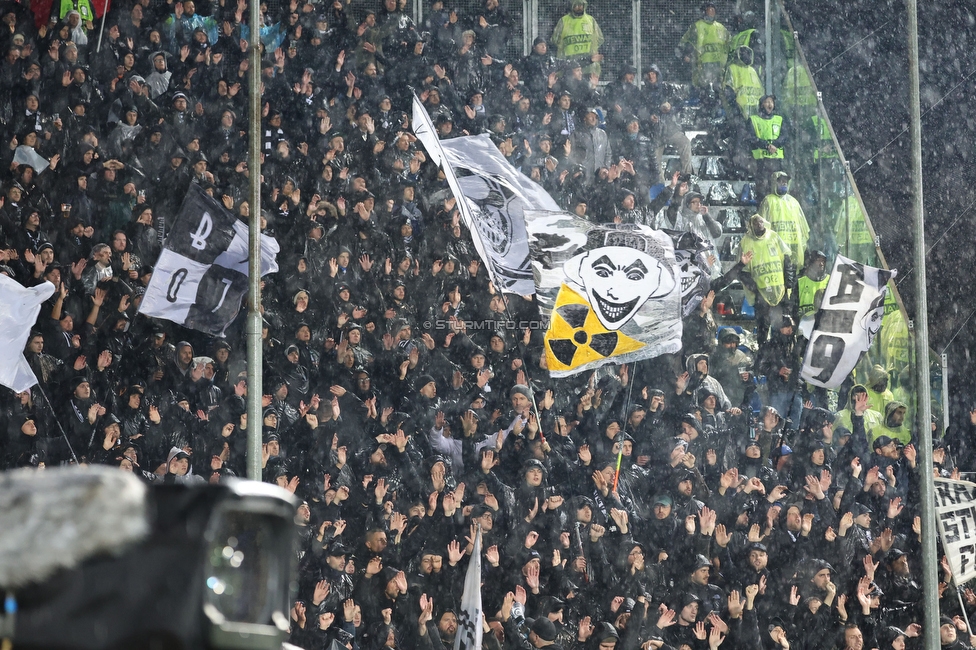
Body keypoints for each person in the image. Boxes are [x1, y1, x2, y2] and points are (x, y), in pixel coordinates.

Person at [760, 171, 810, 269]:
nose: (784, 183)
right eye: (781, 181)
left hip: (793, 253)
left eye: (786, 181)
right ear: (775, 182)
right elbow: (761, 227)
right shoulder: (768, 201)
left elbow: (804, 230)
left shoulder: (794, 202)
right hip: (775, 252)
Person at [678, 2, 730, 90]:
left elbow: (729, 43)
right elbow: (687, 42)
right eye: (709, 9)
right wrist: (686, 54)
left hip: (719, 68)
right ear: (704, 12)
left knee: (719, 91)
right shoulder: (698, 26)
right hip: (703, 67)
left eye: (713, 9)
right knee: (704, 90)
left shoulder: (721, 28)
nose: (712, 12)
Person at [747, 95, 790, 199]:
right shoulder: (753, 120)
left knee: (777, 189)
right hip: (760, 162)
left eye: (771, 102)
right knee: (762, 189)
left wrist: (776, 144)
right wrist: (766, 146)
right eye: (767, 102)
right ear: (761, 104)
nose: (770, 104)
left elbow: (785, 136)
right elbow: (751, 138)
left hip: (777, 161)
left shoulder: (779, 119)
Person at [550, 0, 605, 78]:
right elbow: (555, 40)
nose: (579, 7)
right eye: (576, 5)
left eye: (581, 5)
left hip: (588, 67)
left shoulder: (590, 20)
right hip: (569, 65)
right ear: (572, 6)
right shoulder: (564, 21)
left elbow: (599, 39)